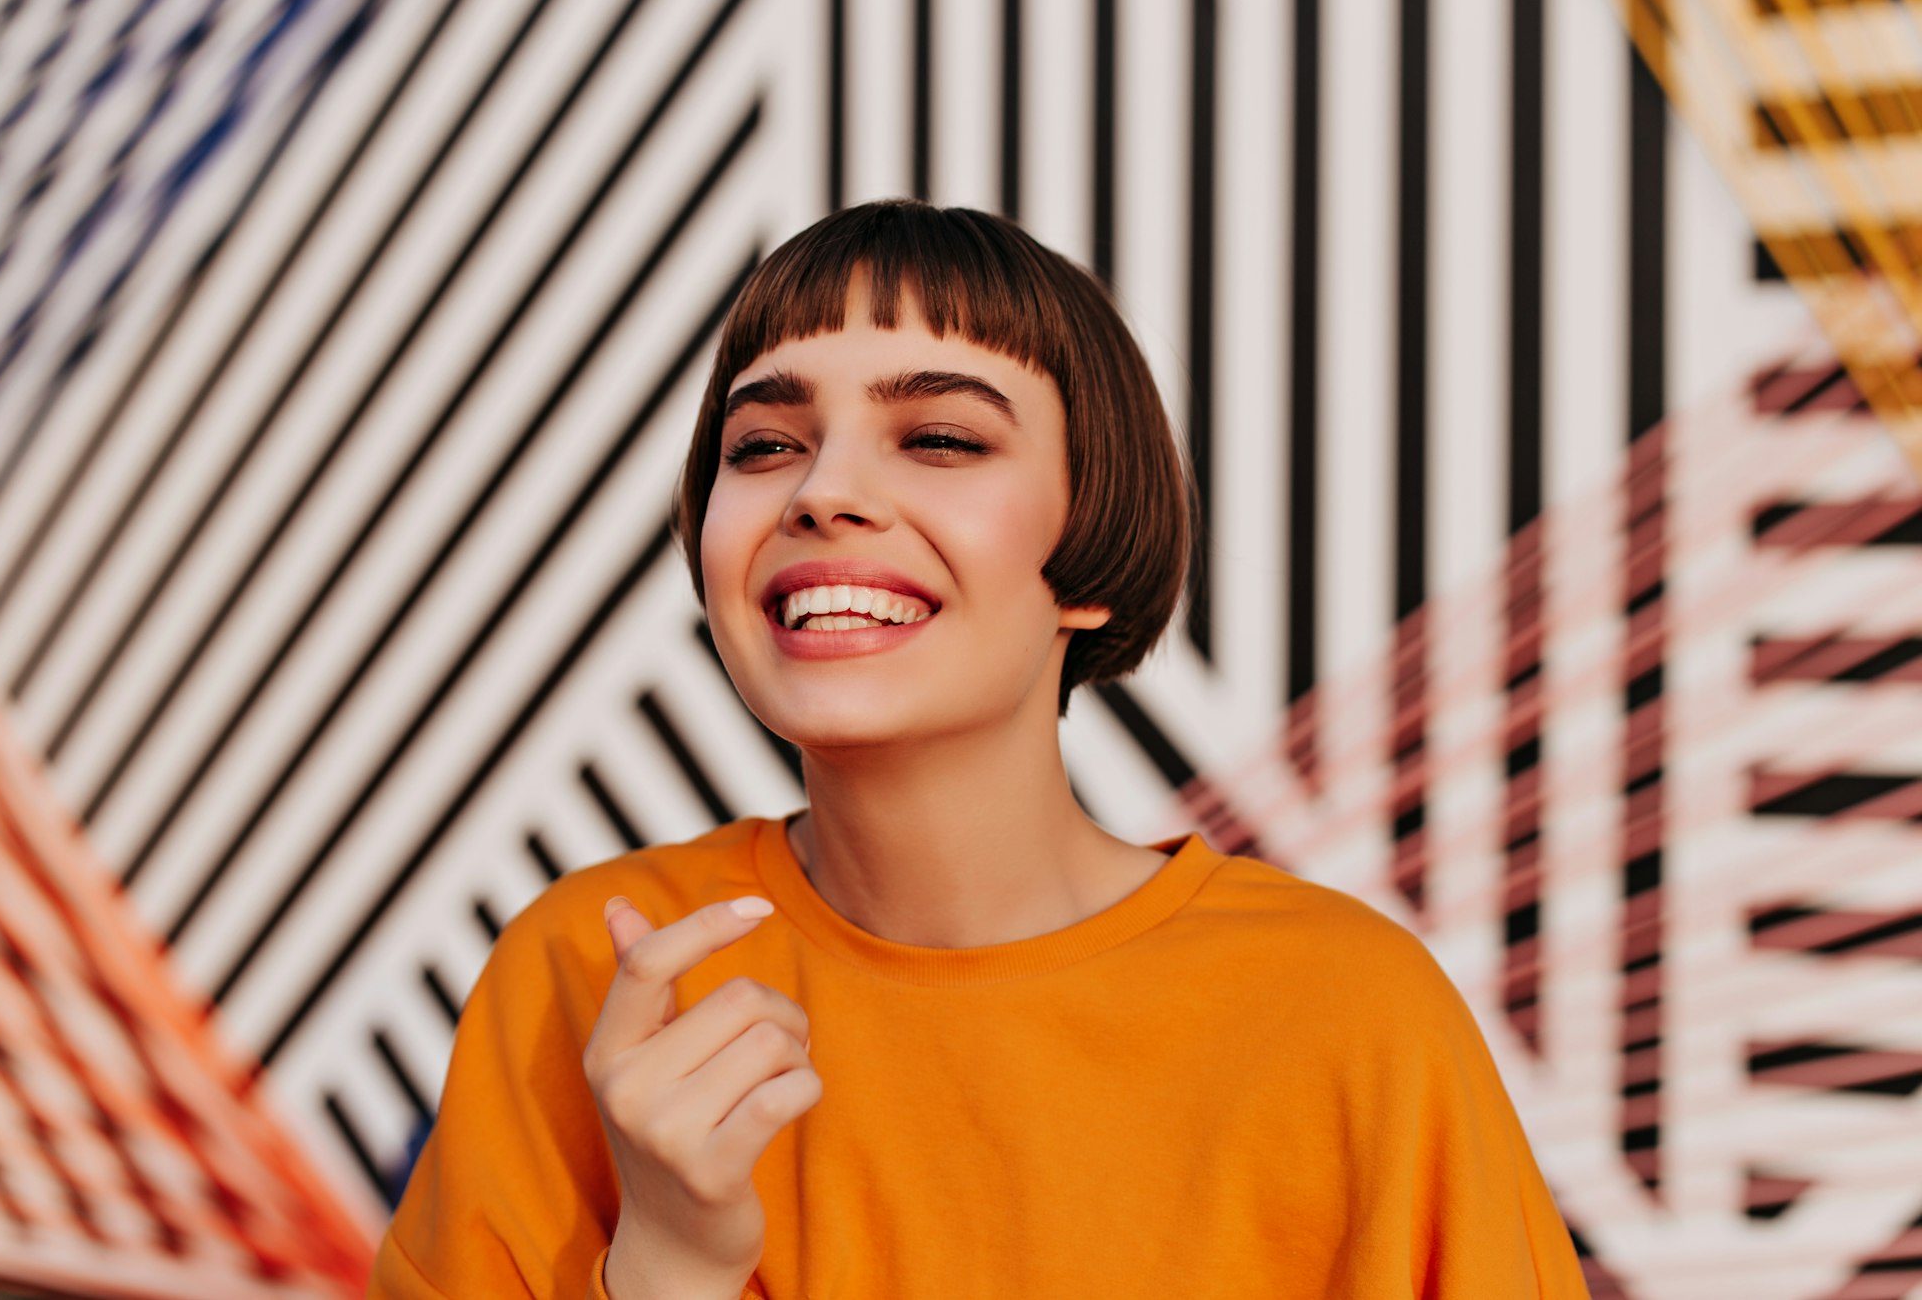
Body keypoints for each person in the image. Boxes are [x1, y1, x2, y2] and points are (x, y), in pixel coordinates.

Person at [366, 199, 1592, 1298]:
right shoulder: (584, 974)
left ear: (1090, 551)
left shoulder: (1348, 1015)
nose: (821, 492)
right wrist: (671, 1269)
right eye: (763, 445)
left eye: (941, 439)